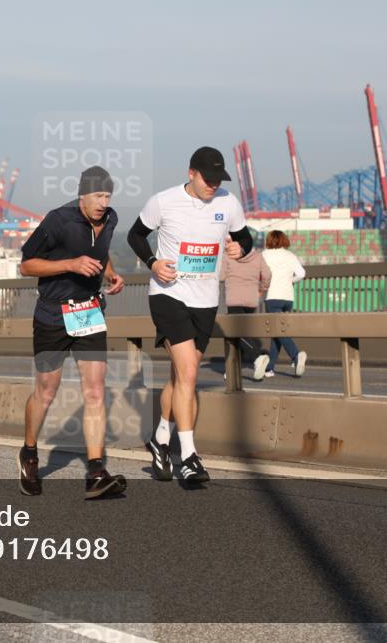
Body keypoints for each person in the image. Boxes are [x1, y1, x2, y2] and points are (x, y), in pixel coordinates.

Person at [128, 146, 251, 484]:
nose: (214, 185)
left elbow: (245, 238)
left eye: (218, 179)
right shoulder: (163, 201)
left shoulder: (228, 203)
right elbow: (135, 235)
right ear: (191, 173)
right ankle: (190, 457)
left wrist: (241, 248)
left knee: (180, 376)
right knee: (190, 372)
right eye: (208, 179)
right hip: (168, 296)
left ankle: (160, 440)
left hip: (206, 300)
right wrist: (153, 263)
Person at [17, 166, 127, 500]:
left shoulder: (110, 219)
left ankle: (95, 471)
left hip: (89, 314)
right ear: (82, 194)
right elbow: (26, 264)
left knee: (95, 391)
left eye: (107, 196)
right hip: (52, 315)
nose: (102, 203)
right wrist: (71, 264)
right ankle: (30, 454)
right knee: (46, 392)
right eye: (97, 196)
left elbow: (100, 250)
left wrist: (110, 273)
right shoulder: (58, 220)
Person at [254, 230, 308, 380]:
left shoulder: (264, 255)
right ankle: (269, 368)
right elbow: (302, 273)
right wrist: (290, 280)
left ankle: (296, 356)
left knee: (277, 330)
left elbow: (258, 273)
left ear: (269, 241)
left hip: (272, 296)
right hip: (288, 297)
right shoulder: (290, 255)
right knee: (277, 333)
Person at [221, 243, 271, 379]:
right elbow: (267, 274)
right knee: (243, 334)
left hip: (235, 299)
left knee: (234, 334)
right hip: (251, 300)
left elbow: (220, 277)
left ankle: (257, 357)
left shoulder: (227, 256)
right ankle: (232, 370)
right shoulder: (257, 256)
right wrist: (262, 288)